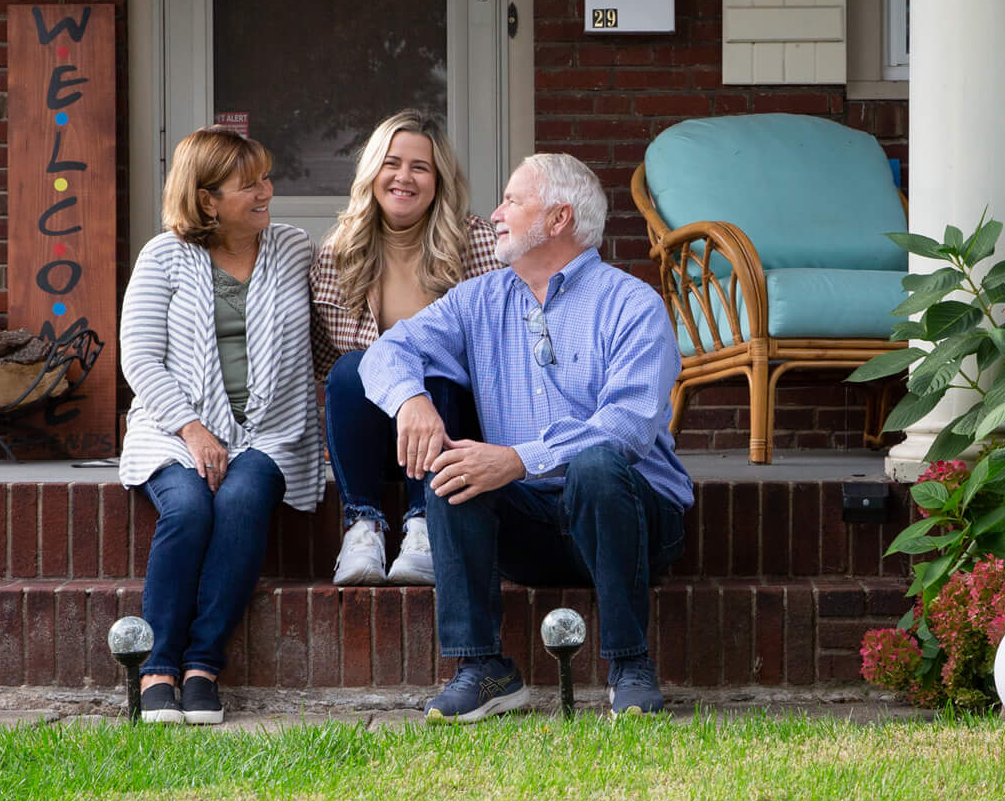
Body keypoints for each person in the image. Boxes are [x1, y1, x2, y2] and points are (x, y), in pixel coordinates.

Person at [359, 152, 692, 721]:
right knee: (454, 469)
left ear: (559, 218)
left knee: (596, 464)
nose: (495, 214)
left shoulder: (632, 304)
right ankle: (483, 667)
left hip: (633, 520)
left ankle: (629, 664)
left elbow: (629, 427)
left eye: (512, 200)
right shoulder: (480, 299)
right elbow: (386, 352)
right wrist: (411, 400)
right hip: (535, 527)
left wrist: (518, 458)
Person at [117, 128, 320, 726]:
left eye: (265, 177)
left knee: (241, 500)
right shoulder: (164, 255)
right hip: (174, 428)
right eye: (249, 183)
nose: (267, 191)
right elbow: (140, 357)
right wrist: (192, 428)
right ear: (207, 199)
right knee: (188, 510)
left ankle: (202, 665)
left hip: (271, 431)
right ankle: (158, 667)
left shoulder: (293, 247)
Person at [310, 110, 500, 587]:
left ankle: (424, 526)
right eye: (392, 163)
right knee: (354, 369)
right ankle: (363, 525)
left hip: (453, 418)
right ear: (373, 171)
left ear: (439, 180)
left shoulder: (474, 241)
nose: (403, 177)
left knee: (435, 372)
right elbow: (325, 360)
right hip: (374, 429)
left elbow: (489, 348)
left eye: (420, 167)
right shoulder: (339, 252)